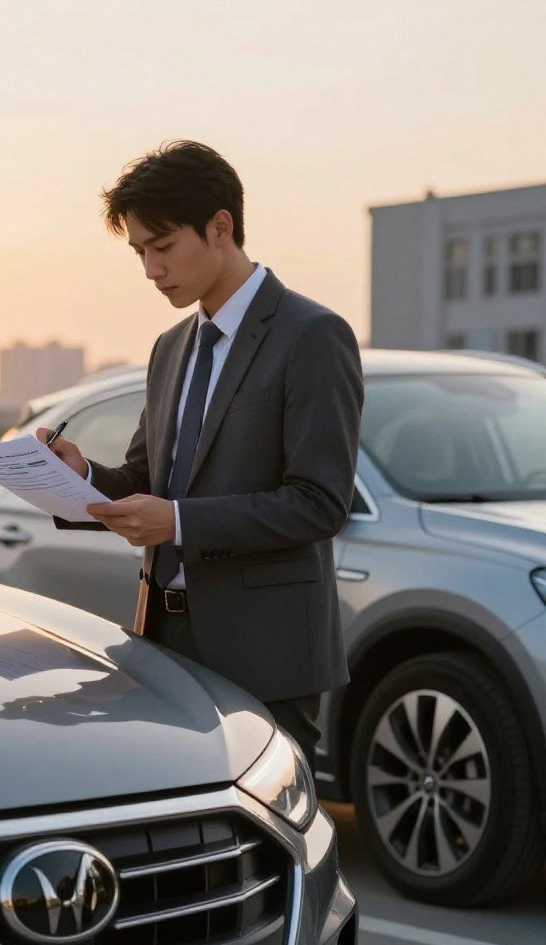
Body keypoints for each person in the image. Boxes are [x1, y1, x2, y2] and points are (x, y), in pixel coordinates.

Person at [37, 140, 363, 768]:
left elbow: (320, 504)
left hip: (267, 652)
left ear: (220, 226)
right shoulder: (170, 347)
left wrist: (180, 522)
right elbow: (144, 479)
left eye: (162, 247)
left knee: (273, 839)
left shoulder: (312, 335)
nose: (151, 270)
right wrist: (79, 475)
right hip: (164, 638)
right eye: (140, 253)